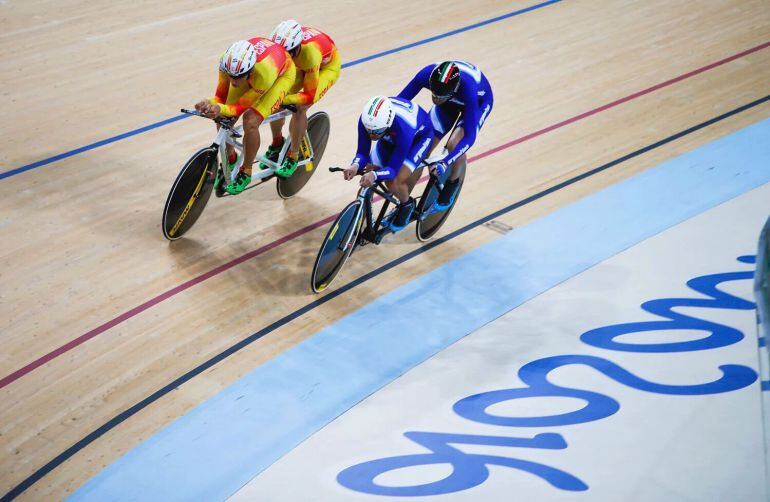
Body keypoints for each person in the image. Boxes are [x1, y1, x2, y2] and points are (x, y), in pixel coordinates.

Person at [194, 37, 296, 195]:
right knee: (223, 118)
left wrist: (219, 108)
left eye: (238, 77)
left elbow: (238, 107)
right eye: (230, 76)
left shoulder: (263, 74)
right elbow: (220, 97)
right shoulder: (225, 63)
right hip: (260, 66)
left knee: (250, 120)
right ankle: (231, 160)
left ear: (249, 72)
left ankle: (246, 171)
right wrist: (208, 103)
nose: (233, 82)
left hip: (281, 74)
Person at [397, 60, 493, 210]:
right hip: (448, 104)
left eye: (439, 96)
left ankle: (453, 182)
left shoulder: (469, 90)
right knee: (420, 150)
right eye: (433, 93)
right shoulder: (426, 74)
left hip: (478, 103)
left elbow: (469, 137)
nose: (435, 99)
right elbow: (399, 102)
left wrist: (445, 162)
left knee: (454, 144)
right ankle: (403, 206)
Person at [343, 96, 434, 232]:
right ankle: (359, 224)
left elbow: (392, 170)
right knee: (369, 170)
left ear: (388, 124)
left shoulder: (404, 130)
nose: (372, 136)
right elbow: (362, 153)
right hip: (390, 135)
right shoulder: (368, 122)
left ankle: (407, 204)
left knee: (393, 182)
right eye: (369, 132)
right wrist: (355, 165)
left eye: (376, 133)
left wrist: (375, 174)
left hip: (418, 139)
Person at [265, 20, 341, 176]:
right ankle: (277, 143)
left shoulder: (310, 55)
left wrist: (285, 99)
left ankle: (293, 157)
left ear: (296, 48)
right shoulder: (288, 49)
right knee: (277, 100)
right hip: (301, 65)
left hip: (325, 68)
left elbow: (308, 96)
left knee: (300, 107)